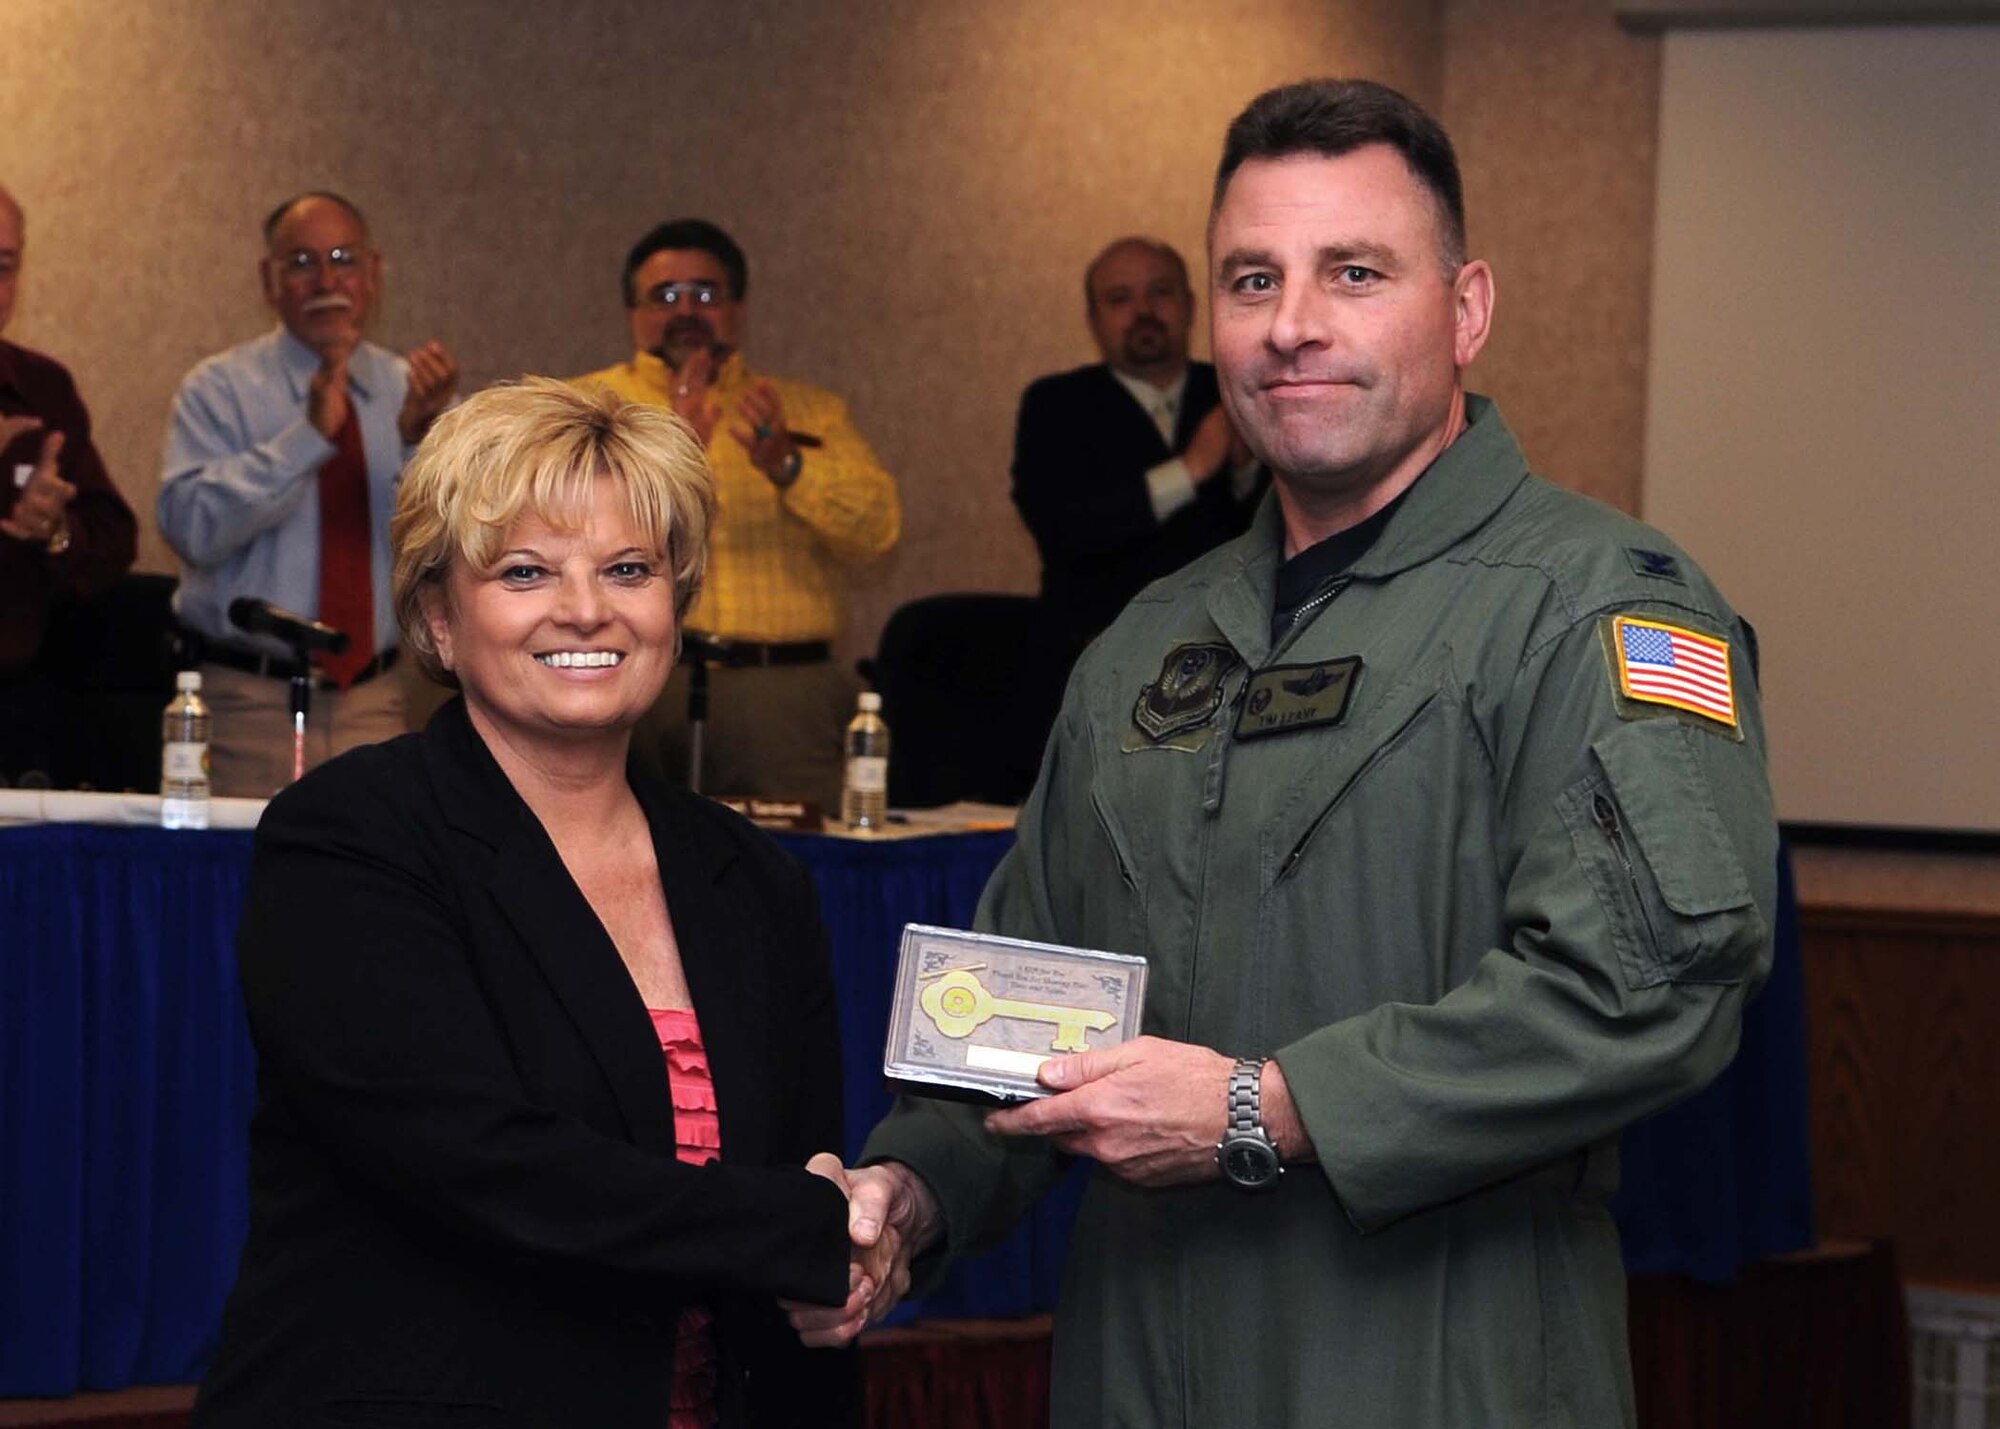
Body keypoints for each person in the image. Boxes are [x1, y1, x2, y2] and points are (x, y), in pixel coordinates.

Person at [800, 79, 1780, 1428]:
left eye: (1355, 272)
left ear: (1468, 308)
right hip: (1134, 1363)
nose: (1293, 325)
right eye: (1251, 279)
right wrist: (902, 1196)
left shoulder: (1597, 605)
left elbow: (1649, 990)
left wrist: (1269, 1107)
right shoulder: (1143, 645)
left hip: (1442, 1362)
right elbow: (1021, 1023)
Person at [193, 380, 875, 1428]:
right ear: (437, 618)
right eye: (524, 572)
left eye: (628, 569)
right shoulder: (351, 836)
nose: (586, 608)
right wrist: (804, 1228)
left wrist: (852, 1252)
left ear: (674, 603)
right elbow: (481, 1163)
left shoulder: (754, 877)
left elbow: (807, 1187)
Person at [578, 219, 900, 809]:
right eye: (665, 296)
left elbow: (877, 532)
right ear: (633, 312)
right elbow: (561, 531)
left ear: (738, 309)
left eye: (706, 294)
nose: (687, 311)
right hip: (633, 683)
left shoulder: (809, 411)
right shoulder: (584, 406)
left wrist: (788, 468)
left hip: (782, 697)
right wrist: (674, 452)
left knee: (800, 882)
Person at [158, 191, 459, 797]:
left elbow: (446, 553)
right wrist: (309, 438)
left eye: (343, 258)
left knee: (373, 886)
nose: (326, 279)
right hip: (246, 703)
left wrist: (416, 440)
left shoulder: (414, 392)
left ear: (373, 275)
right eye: (302, 262)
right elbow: (191, 531)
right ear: (269, 280)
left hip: (371, 703)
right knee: (239, 886)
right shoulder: (218, 390)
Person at [1012, 236, 1262, 661]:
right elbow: (1065, 531)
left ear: (1191, 307)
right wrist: (1190, 469)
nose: (1143, 311)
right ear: (1093, 321)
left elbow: (1286, 534)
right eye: (1120, 298)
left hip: (1231, 648)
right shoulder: (1056, 404)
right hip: (1092, 651)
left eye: (1160, 292)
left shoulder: (1240, 388)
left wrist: (1244, 471)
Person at [0, 183, 138, 784]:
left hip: (19, 712)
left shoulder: (43, 388)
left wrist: (56, 532)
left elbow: (114, 539)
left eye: (4, 266)